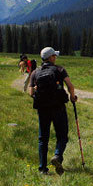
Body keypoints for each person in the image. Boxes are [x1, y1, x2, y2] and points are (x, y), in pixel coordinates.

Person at [29, 46, 77, 175]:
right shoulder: (59, 69)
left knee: (43, 138)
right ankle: (57, 155)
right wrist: (72, 97)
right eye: (54, 56)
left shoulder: (35, 72)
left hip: (42, 109)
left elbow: (31, 91)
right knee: (62, 136)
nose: (55, 58)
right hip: (58, 107)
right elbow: (70, 86)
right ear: (50, 57)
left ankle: (42, 169)